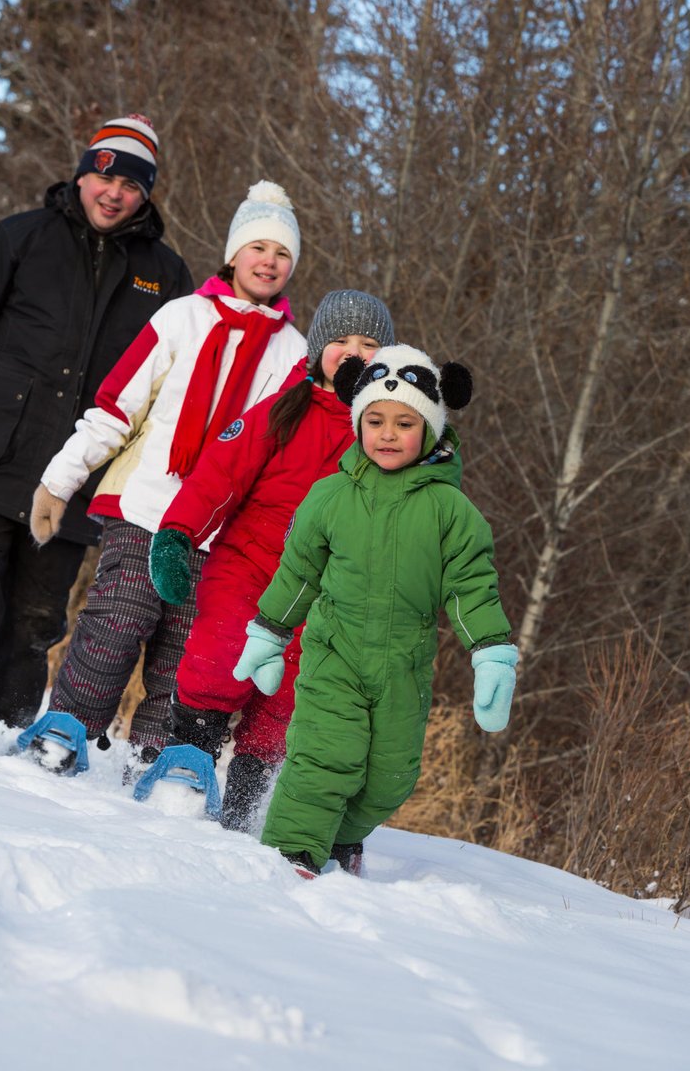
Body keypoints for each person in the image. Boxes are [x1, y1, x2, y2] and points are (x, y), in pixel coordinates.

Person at [27, 181, 306, 762]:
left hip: (219, 530)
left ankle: (156, 760)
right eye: (259, 248)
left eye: (282, 254)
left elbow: (279, 458)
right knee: (117, 621)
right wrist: (62, 476)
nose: (269, 261)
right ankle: (64, 733)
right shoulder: (182, 317)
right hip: (147, 503)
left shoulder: (294, 355)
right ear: (234, 254)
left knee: (187, 647)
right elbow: (117, 406)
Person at [231, 343, 519, 878]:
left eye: (405, 422)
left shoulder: (452, 512)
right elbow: (296, 576)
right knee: (325, 759)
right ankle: (290, 854)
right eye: (376, 420)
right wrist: (269, 634)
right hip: (333, 656)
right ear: (358, 421)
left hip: (403, 667)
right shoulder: (329, 497)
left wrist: (492, 654)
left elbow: (471, 589)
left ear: (430, 430)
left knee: (392, 777)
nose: (388, 434)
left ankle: (338, 838)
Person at [0, 114, 193, 740]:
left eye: (131, 185)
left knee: (36, 622)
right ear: (84, 174)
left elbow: (175, 386)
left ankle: (1, 742)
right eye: (104, 176)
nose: (113, 193)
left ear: (145, 194)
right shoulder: (22, 237)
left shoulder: (166, 276)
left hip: (75, 483)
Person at [148, 289, 395, 831]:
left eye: (370, 343)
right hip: (249, 565)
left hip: (324, 589)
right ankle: (189, 759)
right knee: (223, 652)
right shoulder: (284, 411)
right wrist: (178, 533)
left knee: (293, 691)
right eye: (341, 341)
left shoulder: (388, 433)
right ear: (316, 350)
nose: (354, 353)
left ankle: (251, 799)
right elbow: (220, 474)